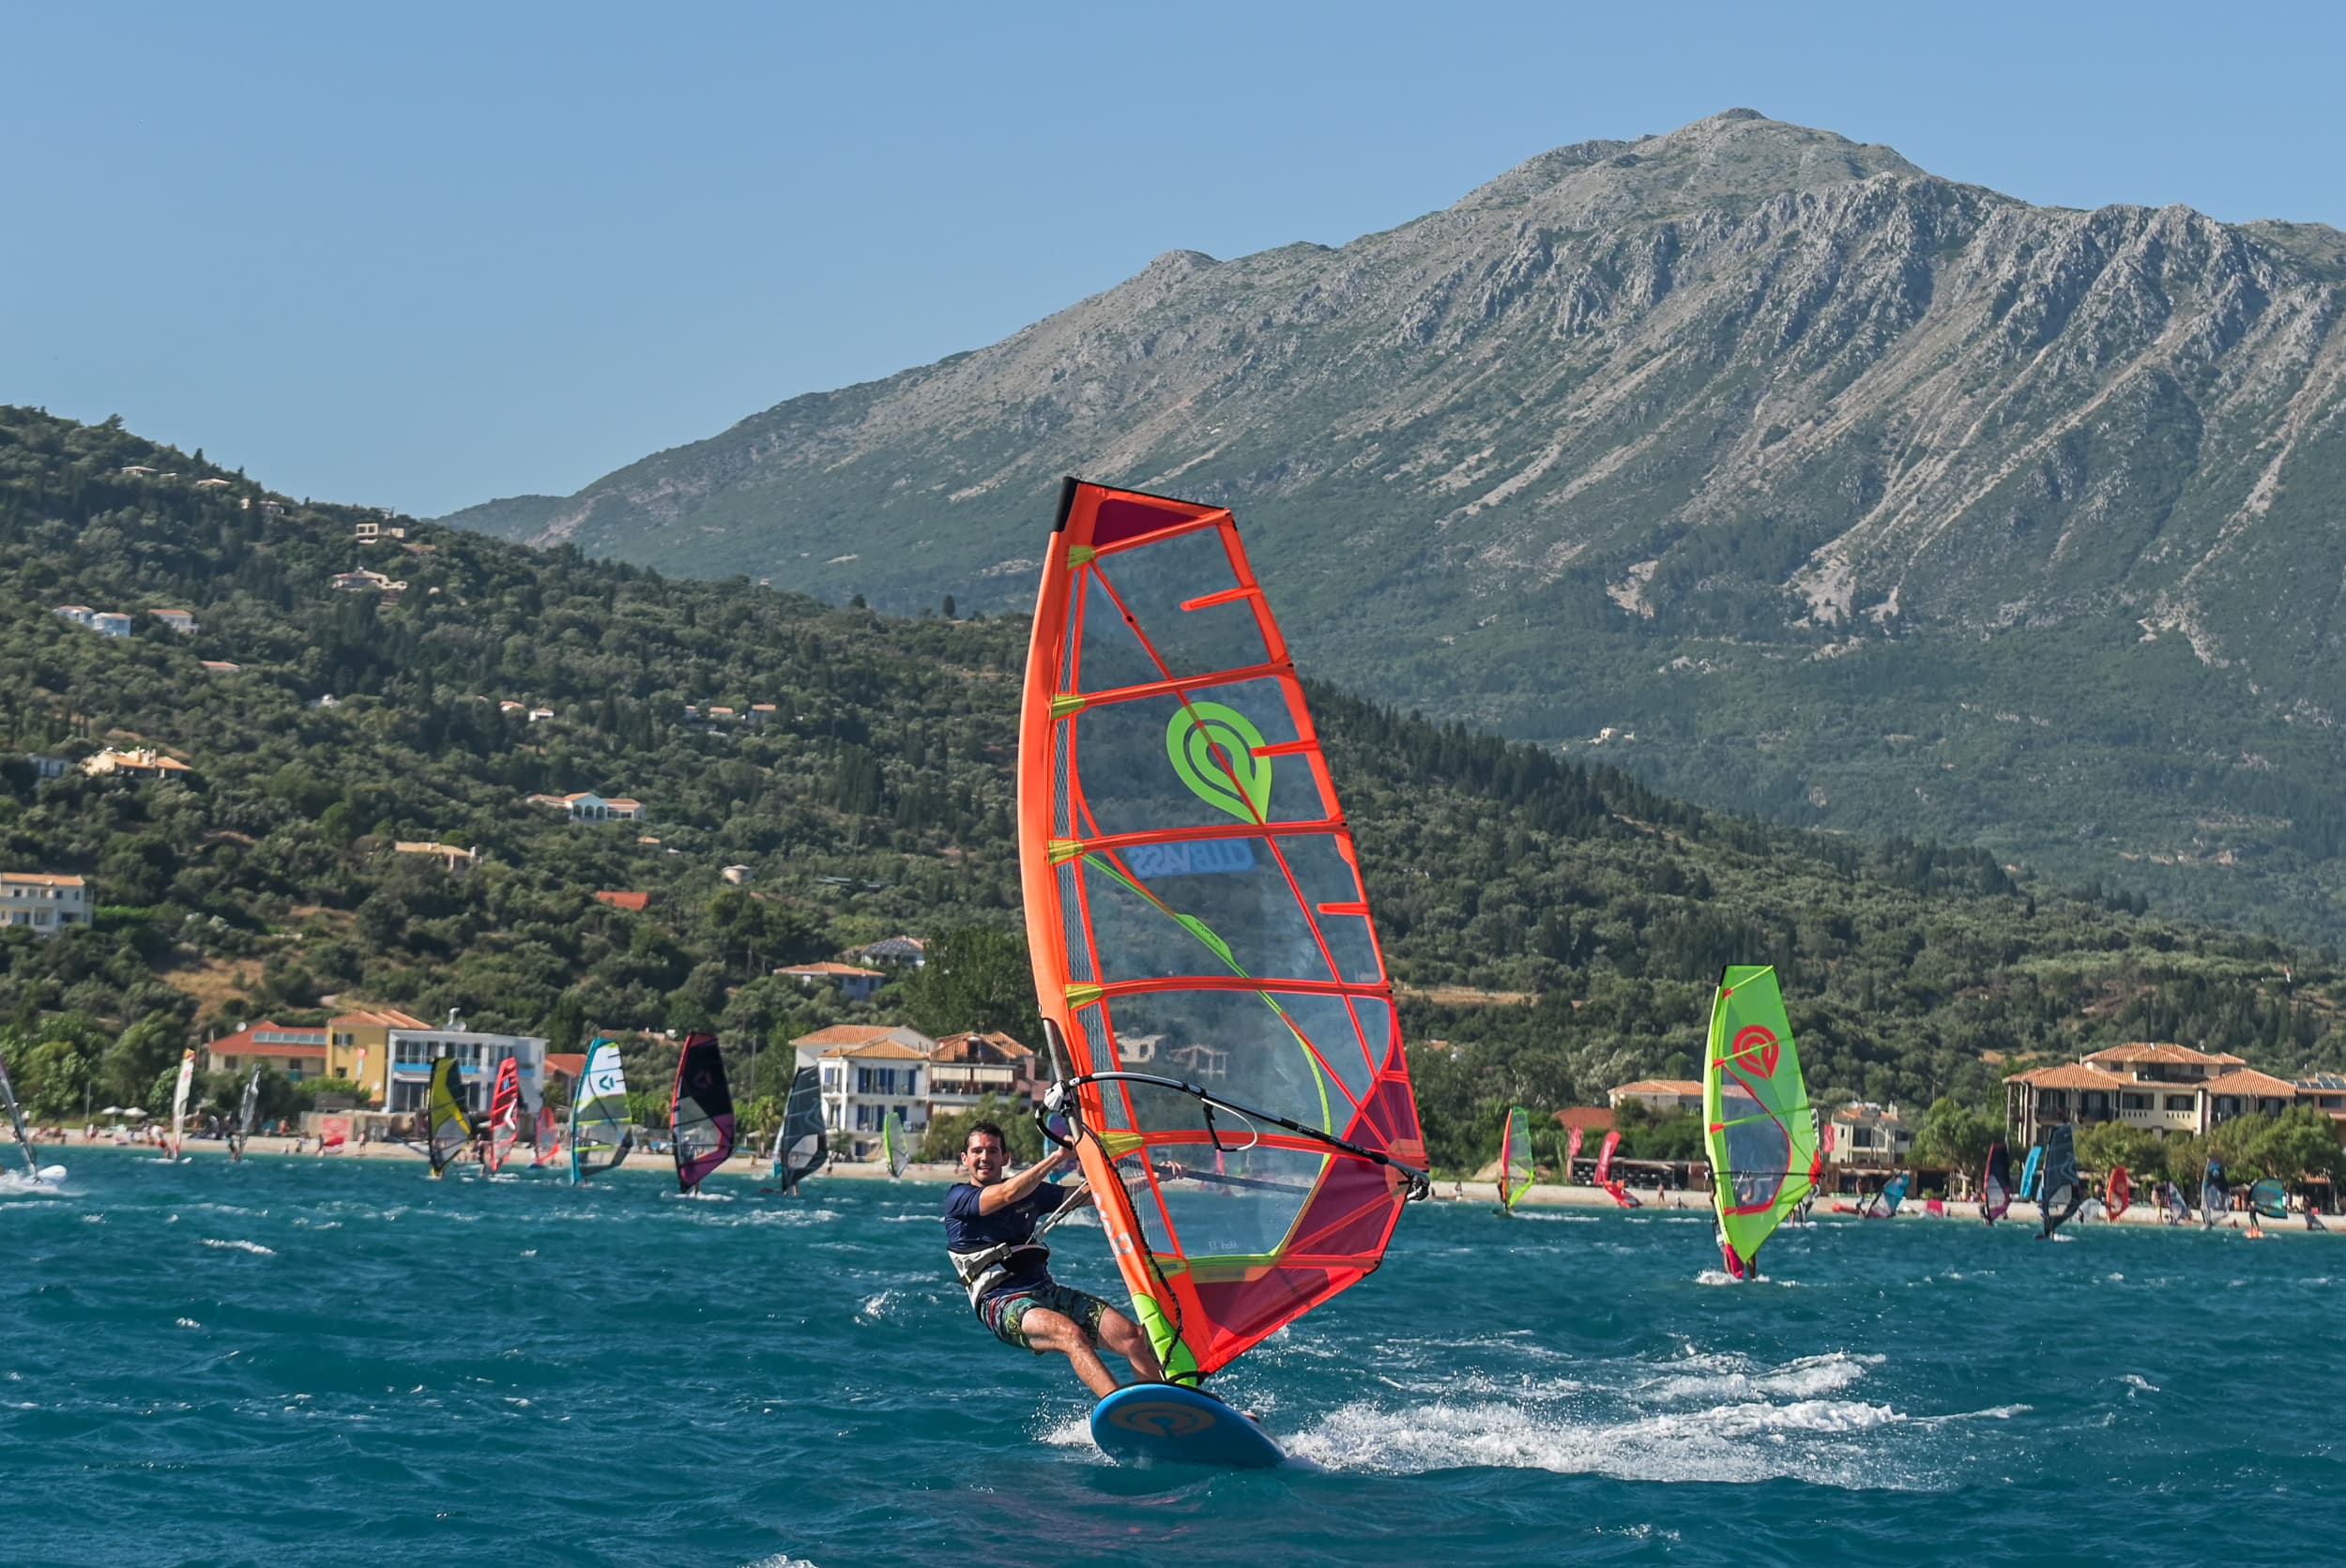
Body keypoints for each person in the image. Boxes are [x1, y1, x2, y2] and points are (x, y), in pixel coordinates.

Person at [943, 1121, 1163, 1398]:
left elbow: (1094, 1194)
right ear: (965, 1158)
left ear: (1005, 1158)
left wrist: (1154, 1177)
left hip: (1046, 1292)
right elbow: (1006, 1194)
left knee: (1134, 1337)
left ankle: (1160, 1406)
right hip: (1001, 1303)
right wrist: (1058, 1156)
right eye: (977, 1151)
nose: (984, 1157)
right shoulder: (959, 1198)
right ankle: (1124, 1412)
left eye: (992, 1150)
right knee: (1070, 1334)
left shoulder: (1032, 1193)